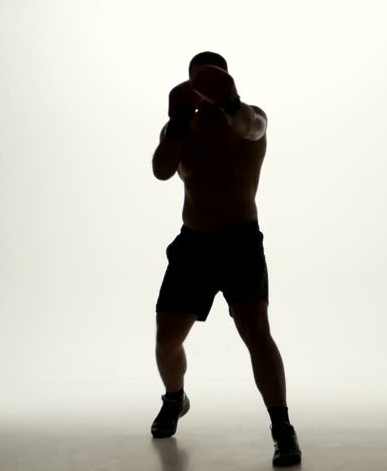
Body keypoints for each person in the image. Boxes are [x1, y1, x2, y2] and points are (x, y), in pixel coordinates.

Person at [150, 51, 302, 467]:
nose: (205, 90)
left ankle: (282, 428)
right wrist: (178, 123)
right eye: (197, 82)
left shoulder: (250, 117)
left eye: (211, 80)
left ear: (226, 82)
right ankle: (175, 399)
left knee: (257, 335)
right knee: (167, 339)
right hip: (194, 245)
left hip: (240, 243)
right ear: (189, 87)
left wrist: (231, 103)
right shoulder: (182, 125)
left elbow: (253, 127)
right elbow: (162, 170)